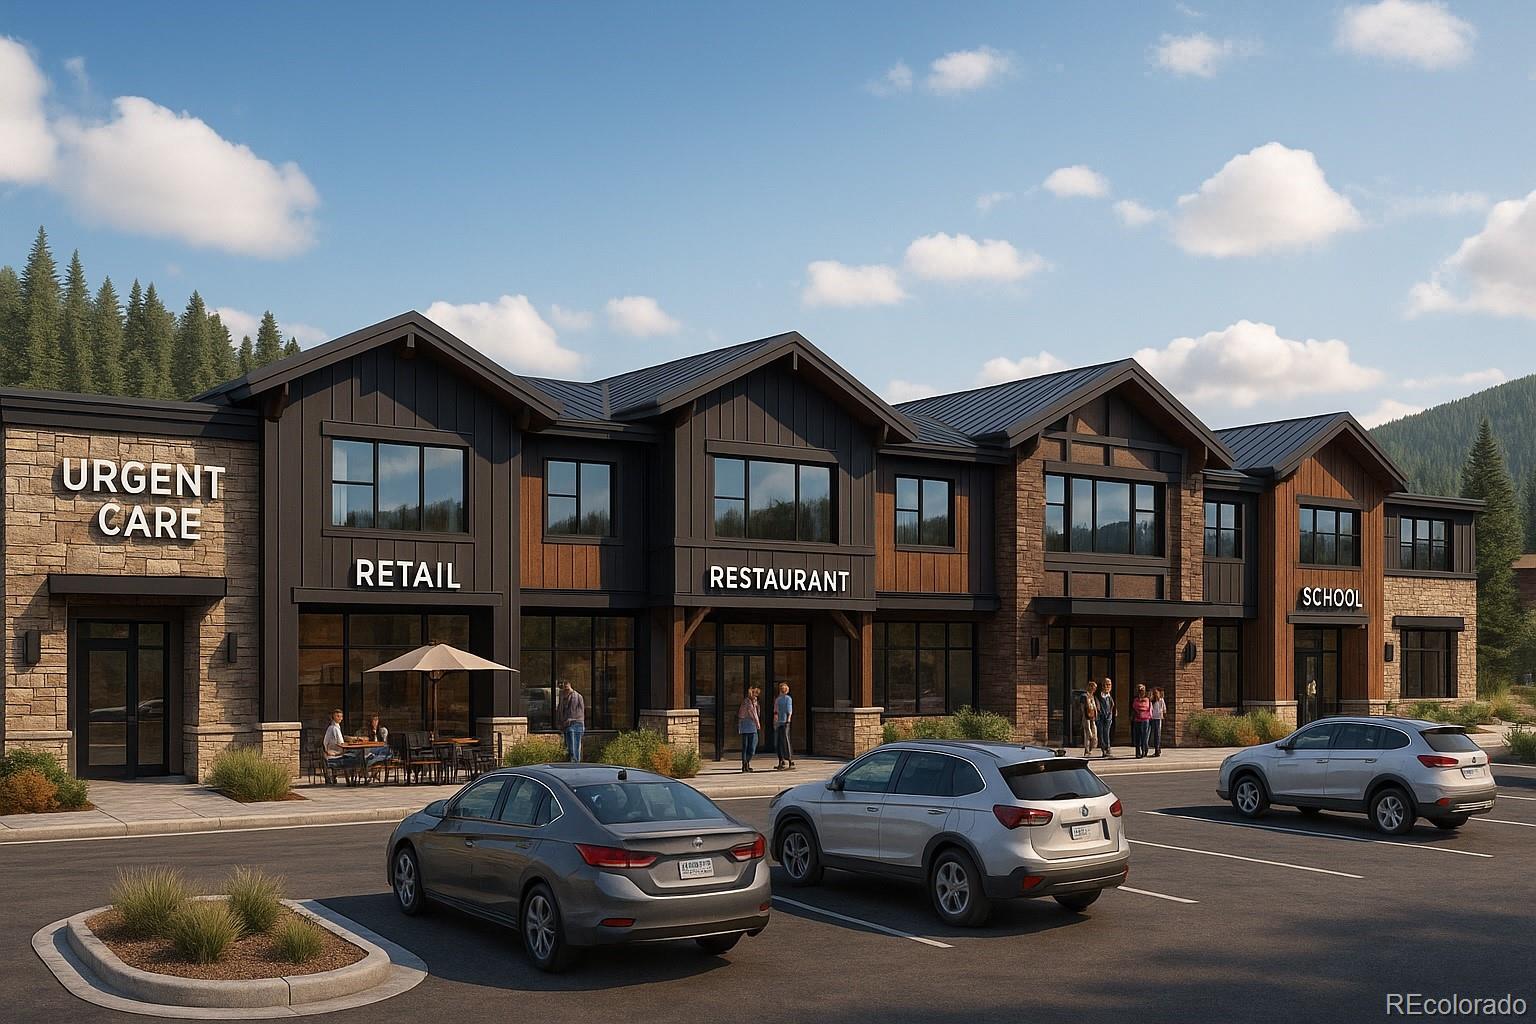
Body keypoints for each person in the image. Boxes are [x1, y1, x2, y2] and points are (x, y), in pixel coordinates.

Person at [322, 708, 361, 781]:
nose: (340, 718)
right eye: (338, 716)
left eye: (341, 716)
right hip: (336, 754)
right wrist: (328, 752)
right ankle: (354, 777)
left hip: (336, 752)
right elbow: (340, 743)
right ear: (334, 717)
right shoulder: (334, 728)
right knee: (357, 755)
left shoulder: (334, 727)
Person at [558, 680, 586, 762]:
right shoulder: (563, 698)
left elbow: (581, 713)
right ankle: (571, 763)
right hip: (566, 726)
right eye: (564, 689)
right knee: (568, 749)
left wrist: (571, 720)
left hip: (576, 725)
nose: (565, 690)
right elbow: (560, 711)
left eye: (567, 688)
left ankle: (575, 764)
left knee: (574, 750)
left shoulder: (577, 696)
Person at [738, 686, 762, 773]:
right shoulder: (747, 702)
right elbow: (753, 714)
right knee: (747, 746)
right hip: (747, 725)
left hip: (751, 726)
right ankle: (745, 764)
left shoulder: (755, 702)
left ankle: (747, 762)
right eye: (755, 694)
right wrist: (758, 724)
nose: (756, 696)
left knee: (751, 746)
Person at [773, 682, 795, 771]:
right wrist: (775, 721)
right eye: (781, 689)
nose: (783, 690)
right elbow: (776, 711)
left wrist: (788, 719)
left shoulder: (788, 699)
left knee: (785, 740)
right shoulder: (778, 699)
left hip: (785, 721)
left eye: (784, 689)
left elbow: (789, 710)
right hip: (779, 722)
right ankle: (781, 760)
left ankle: (789, 760)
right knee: (779, 742)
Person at [1097, 679, 1116, 758]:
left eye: (1109, 685)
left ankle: (1108, 749)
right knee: (1101, 733)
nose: (1107, 687)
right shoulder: (1098, 695)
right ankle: (1104, 750)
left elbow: (1112, 705)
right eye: (1105, 684)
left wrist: (1111, 712)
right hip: (1100, 717)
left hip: (1108, 717)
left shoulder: (1109, 696)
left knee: (1106, 733)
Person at [1132, 684, 1153, 758]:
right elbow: (1134, 706)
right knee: (1137, 737)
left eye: (1142, 690)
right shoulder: (1135, 699)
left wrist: (1140, 708)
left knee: (1144, 736)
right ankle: (1137, 752)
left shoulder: (1147, 699)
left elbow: (1146, 707)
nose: (1140, 692)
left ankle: (1144, 750)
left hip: (1145, 719)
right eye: (1139, 690)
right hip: (1137, 719)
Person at [1081, 680, 1100, 758]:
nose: (1094, 689)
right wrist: (1084, 717)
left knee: (1094, 735)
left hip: (1093, 718)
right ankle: (1087, 750)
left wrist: (1096, 715)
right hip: (1086, 717)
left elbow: (1095, 707)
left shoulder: (1093, 697)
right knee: (1088, 734)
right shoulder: (1084, 696)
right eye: (1092, 687)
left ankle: (1091, 749)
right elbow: (1082, 708)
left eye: (1095, 688)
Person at [1149, 686, 1167, 758]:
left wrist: (1164, 716)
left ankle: (1157, 749)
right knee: (1152, 734)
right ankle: (1154, 748)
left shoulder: (1161, 700)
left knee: (1157, 734)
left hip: (1158, 718)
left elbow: (1164, 709)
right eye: (1154, 693)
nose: (1156, 694)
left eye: (1156, 693)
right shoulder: (1151, 701)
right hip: (1151, 718)